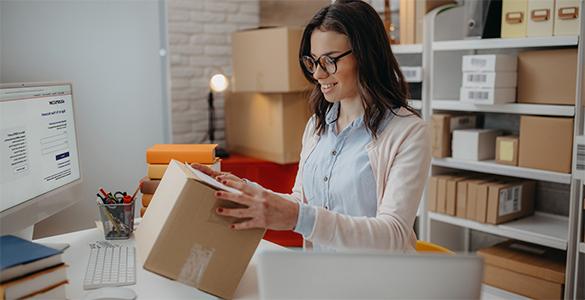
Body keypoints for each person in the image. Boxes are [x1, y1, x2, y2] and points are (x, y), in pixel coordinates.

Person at [192, 0, 431, 252]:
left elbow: (391, 234)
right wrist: (245, 191)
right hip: (322, 277)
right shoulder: (317, 126)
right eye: (313, 61)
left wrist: (298, 216)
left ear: (366, 55)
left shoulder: (408, 132)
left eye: (329, 61)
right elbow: (301, 202)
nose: (317, 74)